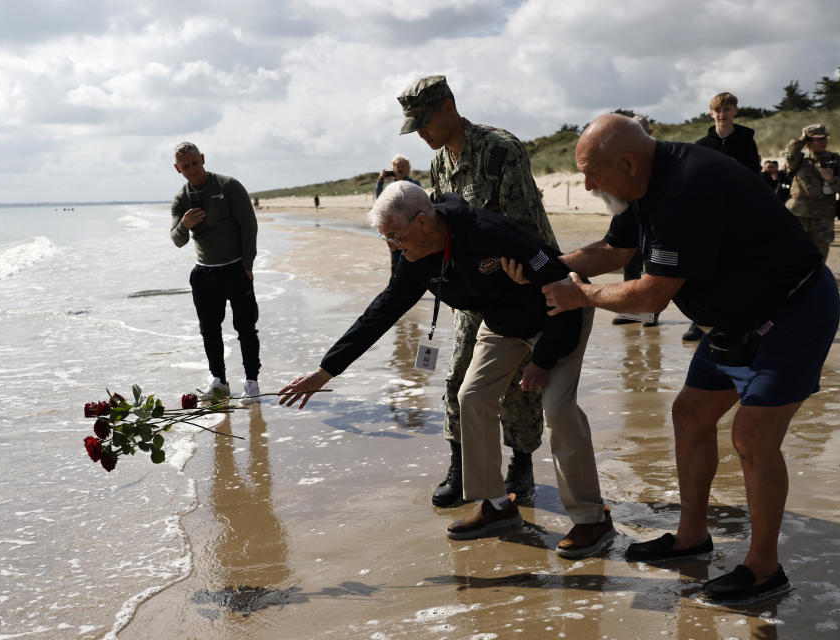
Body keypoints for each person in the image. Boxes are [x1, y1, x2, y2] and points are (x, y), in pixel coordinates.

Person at [511, 114, 838, 605]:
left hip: (792, 312)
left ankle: (765, 569)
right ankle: (691, 537)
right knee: (689, 415)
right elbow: (617, 248)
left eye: (592, 173)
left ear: (626, 161)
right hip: (732, 323)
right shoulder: (641, 181)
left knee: (751, 436)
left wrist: (583, 297)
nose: (586, 183)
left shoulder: (687, 187)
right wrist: (549, 266)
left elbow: (652, 296)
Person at [279, 181, 614, 556]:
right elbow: (382, 311)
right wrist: (326, 371)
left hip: (559, 314)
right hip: (504, 325)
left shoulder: (490, 233)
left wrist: (543, 359)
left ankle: (592, 520)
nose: (393, 246)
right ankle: (496, 506)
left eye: (395, 236)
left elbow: (561, 285)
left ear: (422, 222)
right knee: (471, 396)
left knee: (559, 409)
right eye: (385, 238)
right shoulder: (415, 258)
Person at [397, 74, 556, 507]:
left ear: (449, 106)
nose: (423, 134)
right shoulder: (438, 164)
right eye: (416, 128)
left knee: (521, 384)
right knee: (458, 380)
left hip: (521, 283)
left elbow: (523, 227)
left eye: (425, 122)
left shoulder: (499, 149)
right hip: (471, 284)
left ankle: (520, 465)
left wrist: (523, 280)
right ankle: (461, 466)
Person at [170, 142, 262, 405]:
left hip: (235, 268)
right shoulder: (181, 199)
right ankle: (219, 381)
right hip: (204, 274)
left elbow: (249, 226)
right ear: (178, 169)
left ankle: (252, 382)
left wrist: (248, 264)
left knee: (245, 327)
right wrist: (185, 225)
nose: (192, 170)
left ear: (202, 159)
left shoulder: (228, 185)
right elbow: (177, 240)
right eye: (185, 166)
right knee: (209, 330)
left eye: (194, 163)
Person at [682, 92, 761, 342]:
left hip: (738, 213)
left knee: (737, 267)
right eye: (719, 110)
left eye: (728, 109)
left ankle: (738, 319)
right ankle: (700, 320)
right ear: (711, 113)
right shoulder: (702, 145)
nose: (723, 114)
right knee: (704, 266)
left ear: (736, 111)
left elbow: (753, 179)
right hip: (707, 214)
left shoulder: (747, 142)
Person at [612, 114, 658, 328]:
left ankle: (651, 312)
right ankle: (631, 311)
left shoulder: (657, 157)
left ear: (648, 134)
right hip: (627, 218)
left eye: (640, 130)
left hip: (651, 221)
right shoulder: (619, 156)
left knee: (652, 268)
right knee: (630, 267)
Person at [785, 123, 840, 261]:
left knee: (819, 258)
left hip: (823, 217)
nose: (824, 142)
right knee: (794, 255)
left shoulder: (835, 159)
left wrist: (831, 179)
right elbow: (790, 154)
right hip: (799, 215)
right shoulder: (799, 160)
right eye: (819, 139)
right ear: (809, 141)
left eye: (825, 138)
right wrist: (802, 138)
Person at [375, 154, 423, 270]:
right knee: (396, 261)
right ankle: (396, 282)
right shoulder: (389, 186)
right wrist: (380, 181)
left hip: (411, 227)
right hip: (395, 229)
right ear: (393, 169)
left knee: (413, 259)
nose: (400, 168)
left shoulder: (415, 183)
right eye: (398, 166)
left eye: (403, 166)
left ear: (408, 169)